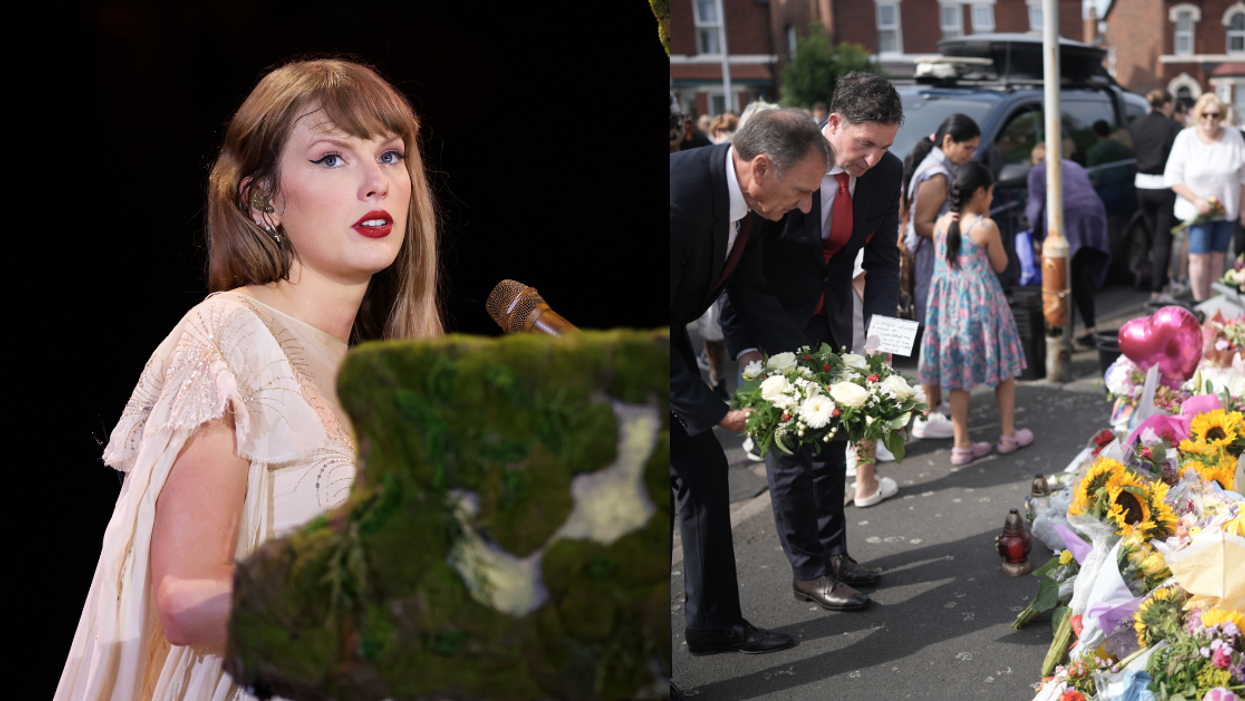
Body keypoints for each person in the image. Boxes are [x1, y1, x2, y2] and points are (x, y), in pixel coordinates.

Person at [56, 58, 444, 700]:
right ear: (263, 200)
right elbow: (184, 603)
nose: (375, 183)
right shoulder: (229, 336)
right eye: (331, 158)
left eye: (391, 155)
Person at [720, 71, 904, 614]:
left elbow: (887, 259)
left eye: (884, 146)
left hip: (835, 322)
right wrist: (745, 349)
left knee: (832, 445)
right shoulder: (790, 163)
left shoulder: (886, 172)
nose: (872, 159)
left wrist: (884, 339)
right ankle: (808, 571)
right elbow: (739, 267)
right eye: (863, 143)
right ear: (833, 123)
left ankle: (835, 555)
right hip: (773, 322)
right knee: (791, 455)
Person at [670, 108, 830, 659]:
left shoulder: (754, 199)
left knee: (704, 469)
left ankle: (713, 624)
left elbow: (751, 291)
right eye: (804, 190)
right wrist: (712, 411)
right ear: (762, 167)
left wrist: (811, 367)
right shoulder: (678, 200)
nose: (807, 205)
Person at [919, 161, 1031, 465]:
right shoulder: (985, 227)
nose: (993, 198)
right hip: (983, 307)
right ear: (980, 192)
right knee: (1004, 371)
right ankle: (1008, 435)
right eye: (991, 192)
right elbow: (1002, 265)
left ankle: (961, 444)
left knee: (957, 377)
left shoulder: (941, 224)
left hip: (949, 311)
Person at [900, 114, 981, 440]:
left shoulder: (940, 167)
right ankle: (927, 411)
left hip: (930, 261)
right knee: (933, 335)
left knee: (933, 334)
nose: (971, 155)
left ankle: (931, 405)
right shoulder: (936, 175)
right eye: (968, 148)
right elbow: (921, 224)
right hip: (928, 265)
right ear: (948, 142)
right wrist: (961, 233)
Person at [1027, 144, 1113, 347]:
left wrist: (1032, 233)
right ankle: (1090, 329)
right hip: (1093, 221)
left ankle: (1067, 338)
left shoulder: (1037, 171)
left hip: (1068, 224)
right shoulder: (1075, 166)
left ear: (1036, 159)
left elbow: (1035, 205)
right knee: (1076, 276)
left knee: (1062, 283)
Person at [1163, 92, 1245, 301]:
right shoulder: (1186, 138)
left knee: (1218, 259)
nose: (1210, 119)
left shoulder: (1234, 137)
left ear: (1221, 116)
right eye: (1205, 114)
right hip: (1197, 211)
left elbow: (1243, 177)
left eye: (1215, 115)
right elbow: (1172, 177)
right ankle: (1201, 303)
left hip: (1227, 209)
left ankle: (1213, 302)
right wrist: (1197, 200)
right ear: (1199, 115)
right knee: (1198, 257)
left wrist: (1243, 208)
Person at [1129, 89, 1184, 302]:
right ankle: (1158, 289)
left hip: (1142, 186)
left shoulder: (1136, 125)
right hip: (1165, 186)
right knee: (1162, 240)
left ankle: (1163, 281)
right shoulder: (1173, 127)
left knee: (1154, 238)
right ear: (1168, 105)